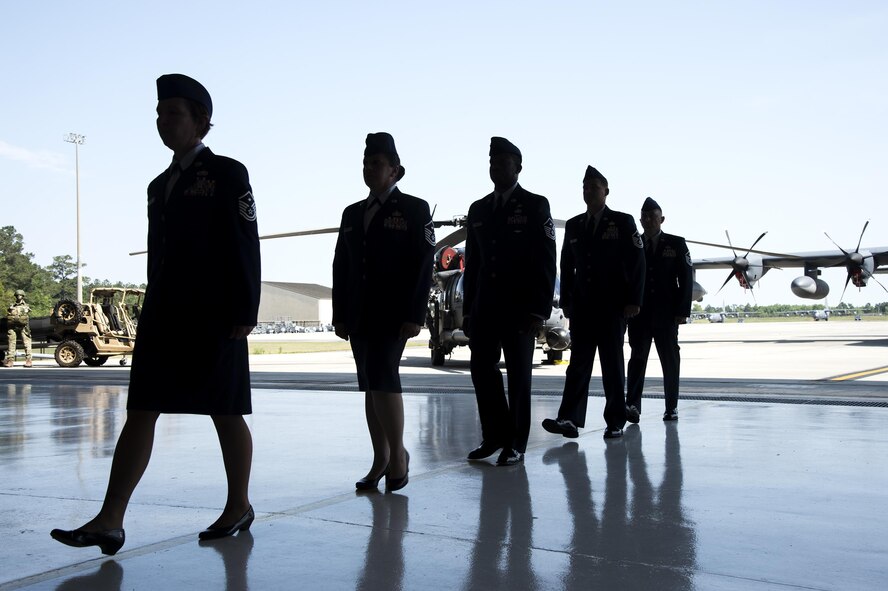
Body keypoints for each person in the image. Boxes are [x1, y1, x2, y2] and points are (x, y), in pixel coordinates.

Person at [51, 73, 261, 555]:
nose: (163, 121)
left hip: (214, 315)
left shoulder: (228, 173)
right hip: (165, 313)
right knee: (140, 410)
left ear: (201, 123)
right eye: (159, 113)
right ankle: (110, 519)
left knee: (225, 411)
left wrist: (245, 307)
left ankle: (239, 505)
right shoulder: (159, 185)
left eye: (174, 113)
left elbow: (244, 242)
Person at [333, 132, 434, 492]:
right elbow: (341, 265)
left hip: (393, 314)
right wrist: (339, 313)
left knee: (385, 378)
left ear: (395, 171)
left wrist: (415, 314)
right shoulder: (352, 213)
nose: (369, 168)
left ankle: (398, 458)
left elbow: (423, 266)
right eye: (366, 162)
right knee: (371, 387)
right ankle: (381, 457)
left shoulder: (413, 209)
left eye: (377, 163)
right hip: (359, 313)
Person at [463, 137, 557, 466]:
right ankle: (494, 436)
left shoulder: (535, 205)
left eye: (502, 163)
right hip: (485, 309)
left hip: (520, 310)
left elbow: (547, 260)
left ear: (518, 167)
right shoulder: (479, 210)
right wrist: (467, 311)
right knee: (481, 371)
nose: (496, 168)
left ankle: (516, 442)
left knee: (519, 376)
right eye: (492, 163)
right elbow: (472, 265)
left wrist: (538, 310)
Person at [542, 166, 644, 440]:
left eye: (593, 187)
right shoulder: (575, 225)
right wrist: (567, 300)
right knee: (578, 365)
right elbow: (566, 262)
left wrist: (634, 300)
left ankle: (615, 421)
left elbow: (637, 263)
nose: (588, 192)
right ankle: (569, 420)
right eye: (584, 187)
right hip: (584, 308)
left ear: (606, 191)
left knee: (612, 365)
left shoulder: (623, 222)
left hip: (613, 307)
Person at [626, 197, 693, 422]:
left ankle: (671, 407)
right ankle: (632, 406)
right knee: (637, 361)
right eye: (644, 217)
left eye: (653, 217)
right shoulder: (633, 243)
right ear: (640, 219)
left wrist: (682, 311)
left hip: (666, 315)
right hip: (639, 315)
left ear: (661, 219)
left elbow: (686, 279)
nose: (648, 220)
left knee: (670, 362)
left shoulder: (676, 243)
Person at [4, 289, 32, 367]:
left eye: (20, 295)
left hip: (23, 326)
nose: (19, 296)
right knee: (11, 343)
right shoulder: (12, 306)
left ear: (23, 296)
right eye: (17, 295)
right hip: (12, 326)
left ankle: (29, 360)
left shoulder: (26, 306)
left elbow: (27, 316)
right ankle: (10, 361)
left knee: (27, 343)